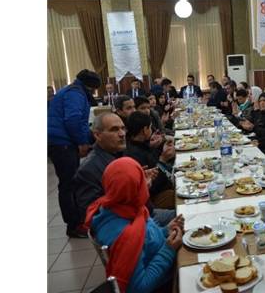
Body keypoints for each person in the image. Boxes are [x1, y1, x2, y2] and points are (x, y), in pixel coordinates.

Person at [85, 157, 184, 293]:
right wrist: (169, 250)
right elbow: (138, 288)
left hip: (162, 259)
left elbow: (146, 241)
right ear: (136, 188)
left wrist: (165, 231)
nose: (146, 182)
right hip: (165, 283)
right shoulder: (127, 235)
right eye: (141, 179)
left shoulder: (119, 208)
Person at [72, 113, 176, 227]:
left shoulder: (116, 153)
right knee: (188, 217)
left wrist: (138, 179)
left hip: (144, 213)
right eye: (114, 130)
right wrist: (135, 190)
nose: (122, 134)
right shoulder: (88, 170)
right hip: (132, 225)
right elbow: (92, 216)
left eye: (123, 128)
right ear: (97, 135)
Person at [48, 69, 100, 238]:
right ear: (89, 86)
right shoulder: (75, 94)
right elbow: (73, 120)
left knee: (69, 184)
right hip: (62, 143)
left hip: (60, 141)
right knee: (69, 185)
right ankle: (74, 225)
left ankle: (77, 221)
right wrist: (82, 142)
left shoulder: (71, 90)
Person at [124, 111, 175, 209]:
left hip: (164, 184)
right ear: (144, 130)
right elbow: (154, 185)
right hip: (152, 198)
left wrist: (160, 146)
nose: (152, 130)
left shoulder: (138, 143)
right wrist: (163, 160)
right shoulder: (135, 154)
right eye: (150, 127)